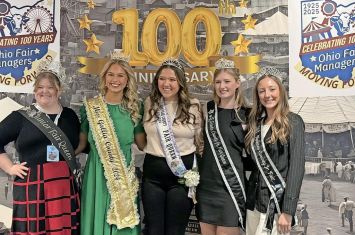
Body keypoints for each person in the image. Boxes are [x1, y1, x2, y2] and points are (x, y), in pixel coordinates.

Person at [0, 59, 81, 234]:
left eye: (50, 87)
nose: (45, 91)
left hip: (63, 184)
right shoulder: (20, 117)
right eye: (40, 87)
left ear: (59, 90)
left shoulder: (70, 116)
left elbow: (81, 145)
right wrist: (10, 168)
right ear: (35, 90)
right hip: (31, 183)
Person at [76, 50, 146, 235]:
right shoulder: (90, 107)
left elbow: (142, 144)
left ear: (127, 79)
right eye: (111, 74)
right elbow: (82, 145)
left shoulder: (135, 108)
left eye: (121, 75)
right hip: (96, 174)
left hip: (123, 174)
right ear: (104, 77)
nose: (115, 80)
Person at [142, 58, 203, 235]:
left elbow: (200, 143)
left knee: (175, 231)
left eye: (172, 79)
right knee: (154, 230)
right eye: (162, 78)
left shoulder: (194, 105)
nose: (166, 83)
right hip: (153, 175)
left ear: (180, 82)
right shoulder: (149, 104)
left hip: (181, 176)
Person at [244, 67, 305, 235]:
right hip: (254, 202)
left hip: (277, 204)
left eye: (272, 89)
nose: (267, 95)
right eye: (262, 91)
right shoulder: (256, 124)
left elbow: (297, 168)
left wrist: (288, 210)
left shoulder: (293, 121)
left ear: (281, 91)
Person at [196, 58, 252, 235]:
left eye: (227, 81)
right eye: (218, 82)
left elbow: (253, 154)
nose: (222, 86)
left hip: (230, 186)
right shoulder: (207, 109)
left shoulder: (248, 114)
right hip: (206, 186)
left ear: (237, 83)